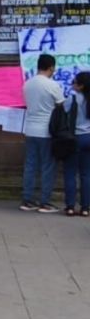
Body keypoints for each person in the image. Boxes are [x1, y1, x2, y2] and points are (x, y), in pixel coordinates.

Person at [21, 54, 65, 213]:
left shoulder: (27, 84)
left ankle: (27, 200)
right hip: (47, 131)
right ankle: (45, 202)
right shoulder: (53, 85)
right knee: (48, 166)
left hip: (30, 129)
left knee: (30, 165)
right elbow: (62, 105)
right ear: (51, 67)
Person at [64, 72, 90, 216]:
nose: (73, 85)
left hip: (74, 138)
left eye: (75, 82)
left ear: (81, 86)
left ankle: (70, 206)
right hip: (89, 137)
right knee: (86, 174)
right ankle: (86, 208)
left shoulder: (72, 99)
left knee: (70, 173)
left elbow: (63, 111)